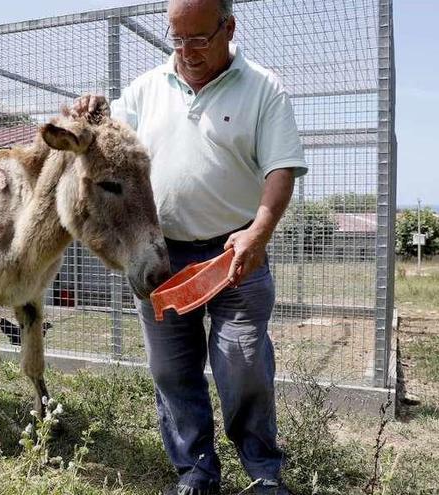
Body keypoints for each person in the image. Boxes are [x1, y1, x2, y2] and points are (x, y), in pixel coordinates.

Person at [71, 0, 307, 493]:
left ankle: (264, 473)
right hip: (164, 257)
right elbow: (109, 142)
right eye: (177, 40)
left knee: (243, 362)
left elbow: (280, 169)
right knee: (172, 370)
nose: (187, 52)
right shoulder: (145, 89)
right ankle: (196, 471)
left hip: (235, 255)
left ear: (229, 27)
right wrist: (91, 116)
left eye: (199, 39)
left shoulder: (263, 88)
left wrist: (259, 232)